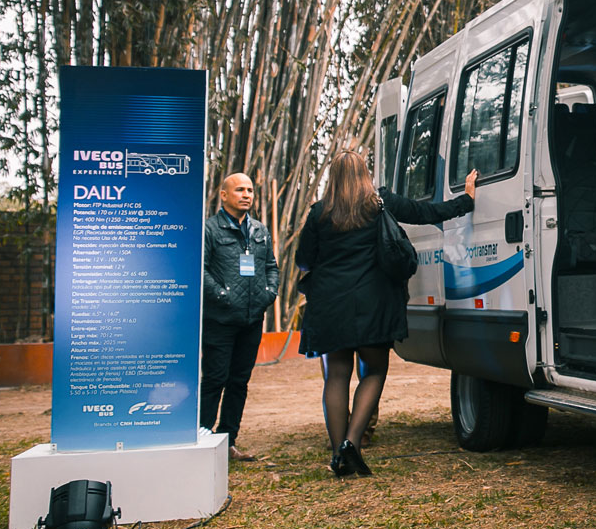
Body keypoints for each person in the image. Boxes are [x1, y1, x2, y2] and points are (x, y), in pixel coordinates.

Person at [297, 150, 478, 477]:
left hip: (330, 305)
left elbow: (304, 259)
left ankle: (338, 455)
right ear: (365, 173)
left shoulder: (319, 214)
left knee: (336, 375)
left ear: (332, 177)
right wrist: (466, 199)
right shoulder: (380, 203)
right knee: (374, 371)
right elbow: (427, 213)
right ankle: (352, 444)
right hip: (374, 304)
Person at [201, 172, 279, 462]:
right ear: (224, 195)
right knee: (215, 379)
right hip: (219, 320)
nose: (246, 195)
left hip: (251, 320)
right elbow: (201, 269)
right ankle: (203, 438)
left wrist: (269, 294)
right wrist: (223, 295)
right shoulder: (210, 229)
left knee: (239, 381)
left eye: (249, 190)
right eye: (239, 190)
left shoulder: (259, 230)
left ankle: (229, 440)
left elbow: (271, 265)